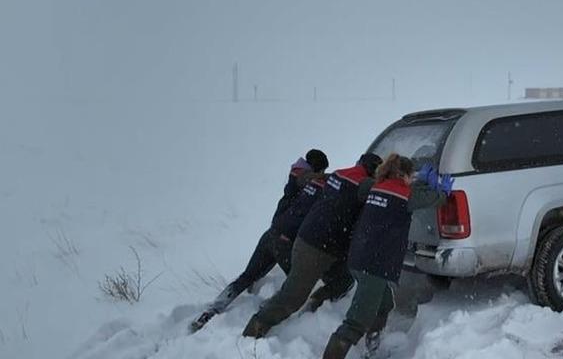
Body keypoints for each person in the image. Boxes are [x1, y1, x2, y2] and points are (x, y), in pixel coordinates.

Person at [322, 154, 452, 359]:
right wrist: (442, 191)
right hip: (374, 264)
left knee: (384, 304)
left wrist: (420, 182)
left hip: (358, 258)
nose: (412, 179)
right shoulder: (404, 194)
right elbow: (435, 199)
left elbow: (407, 194)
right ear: (403, 175)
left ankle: (372, 349)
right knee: (356, 322)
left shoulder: (378, 186)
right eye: (411, 175)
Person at [242, 153, 384, 338]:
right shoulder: (363, 184)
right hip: (316, 246)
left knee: (343, 280)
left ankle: (314, 305)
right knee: (293, 295)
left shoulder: (337, 175)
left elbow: (308, 179)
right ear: (373, 172)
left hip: (318, 242)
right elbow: (388, 195)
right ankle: (253, 331)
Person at [188, 149, 329, 333]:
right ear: (316, 167)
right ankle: (267, 311)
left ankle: (212, 310)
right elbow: (309, 180)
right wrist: (331, 179)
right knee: (297, 282)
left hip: (271, 235)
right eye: (322, 170)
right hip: (285, 241)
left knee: (247, 276)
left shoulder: (296, 175)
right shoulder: (303, 177)